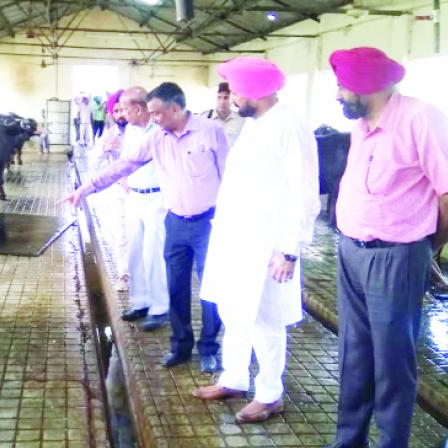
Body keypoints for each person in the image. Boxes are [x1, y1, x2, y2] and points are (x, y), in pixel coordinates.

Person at [326, 47, 448, 448]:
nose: (337, 95)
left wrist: (424, 249)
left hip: (395, 256)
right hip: (351, 251)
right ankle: (348, 442)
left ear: (362, 85)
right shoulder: (362, 125)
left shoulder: (420, 118)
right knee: (354, 357)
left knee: (392, 365)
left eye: (340, 86)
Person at [63, 82, 229, 373]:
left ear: (175, 108)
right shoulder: (157, 138)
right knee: (176, 287)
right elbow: (124, 165)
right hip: (175, 221)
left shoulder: (211, 132)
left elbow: (230, 178)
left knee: (211, 289)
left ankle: (209, 349)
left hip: (210, 223)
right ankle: (180, 346)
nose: (153, 120)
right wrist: (86, 189)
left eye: (157, 113)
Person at [192, 57, 320, 424]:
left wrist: (290, 250)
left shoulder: (290, 126)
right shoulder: (256, 123)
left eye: (235, 90)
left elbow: (305, 193)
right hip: (236, 238)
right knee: (233, 310)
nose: (231, 98)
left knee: (265, 318)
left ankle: (269, 394)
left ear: (255, 91)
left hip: (268, 245)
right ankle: (233, 377)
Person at [117, 87, 169, 331]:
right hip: (134, 197)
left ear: (138, 108)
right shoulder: (130, 129)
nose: (121, 113)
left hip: (156, 199)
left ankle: (160, 308)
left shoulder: (160, 130)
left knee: (154, 253)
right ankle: (140, 303)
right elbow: (128, 159)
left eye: (125, 109)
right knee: (135, 251)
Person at [88, 90, 131, 290]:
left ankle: (145, 279)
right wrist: (104, 150)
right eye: (116, 110)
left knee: (145, 238)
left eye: (123, 109)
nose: (120, 114)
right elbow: (93, 163)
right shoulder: (110, 134)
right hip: (120, 192)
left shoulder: (146, 132)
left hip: (147, 194)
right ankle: (123, 274)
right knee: (120, 235)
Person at [200, 82, 246, 146]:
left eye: (226, 97)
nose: (222, 102)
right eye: (219, 97)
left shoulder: (241, 120)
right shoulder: (204, 117)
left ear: (232, 98)